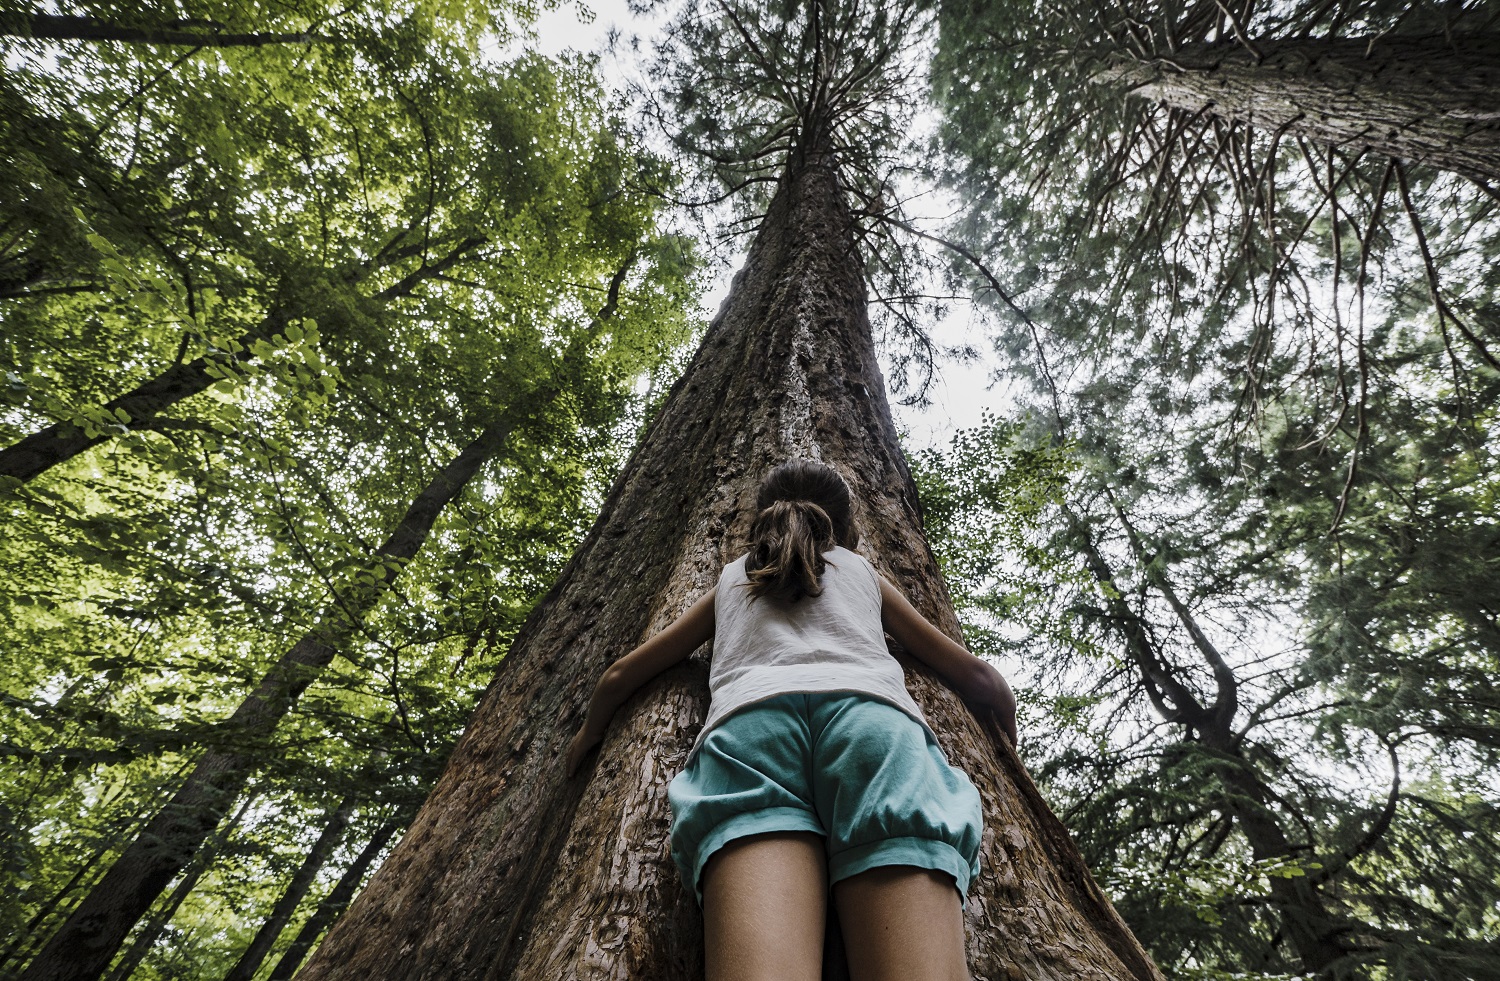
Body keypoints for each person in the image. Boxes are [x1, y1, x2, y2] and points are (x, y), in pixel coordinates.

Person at [565, 460, 1018, 981]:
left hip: (751, 734)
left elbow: (620, 676)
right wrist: (1011, 741)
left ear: (764, 523)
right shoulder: (861, 571)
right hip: (873, 730)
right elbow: (982, 680)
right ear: (847, 532)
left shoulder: (733, 580)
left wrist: (588, 734)